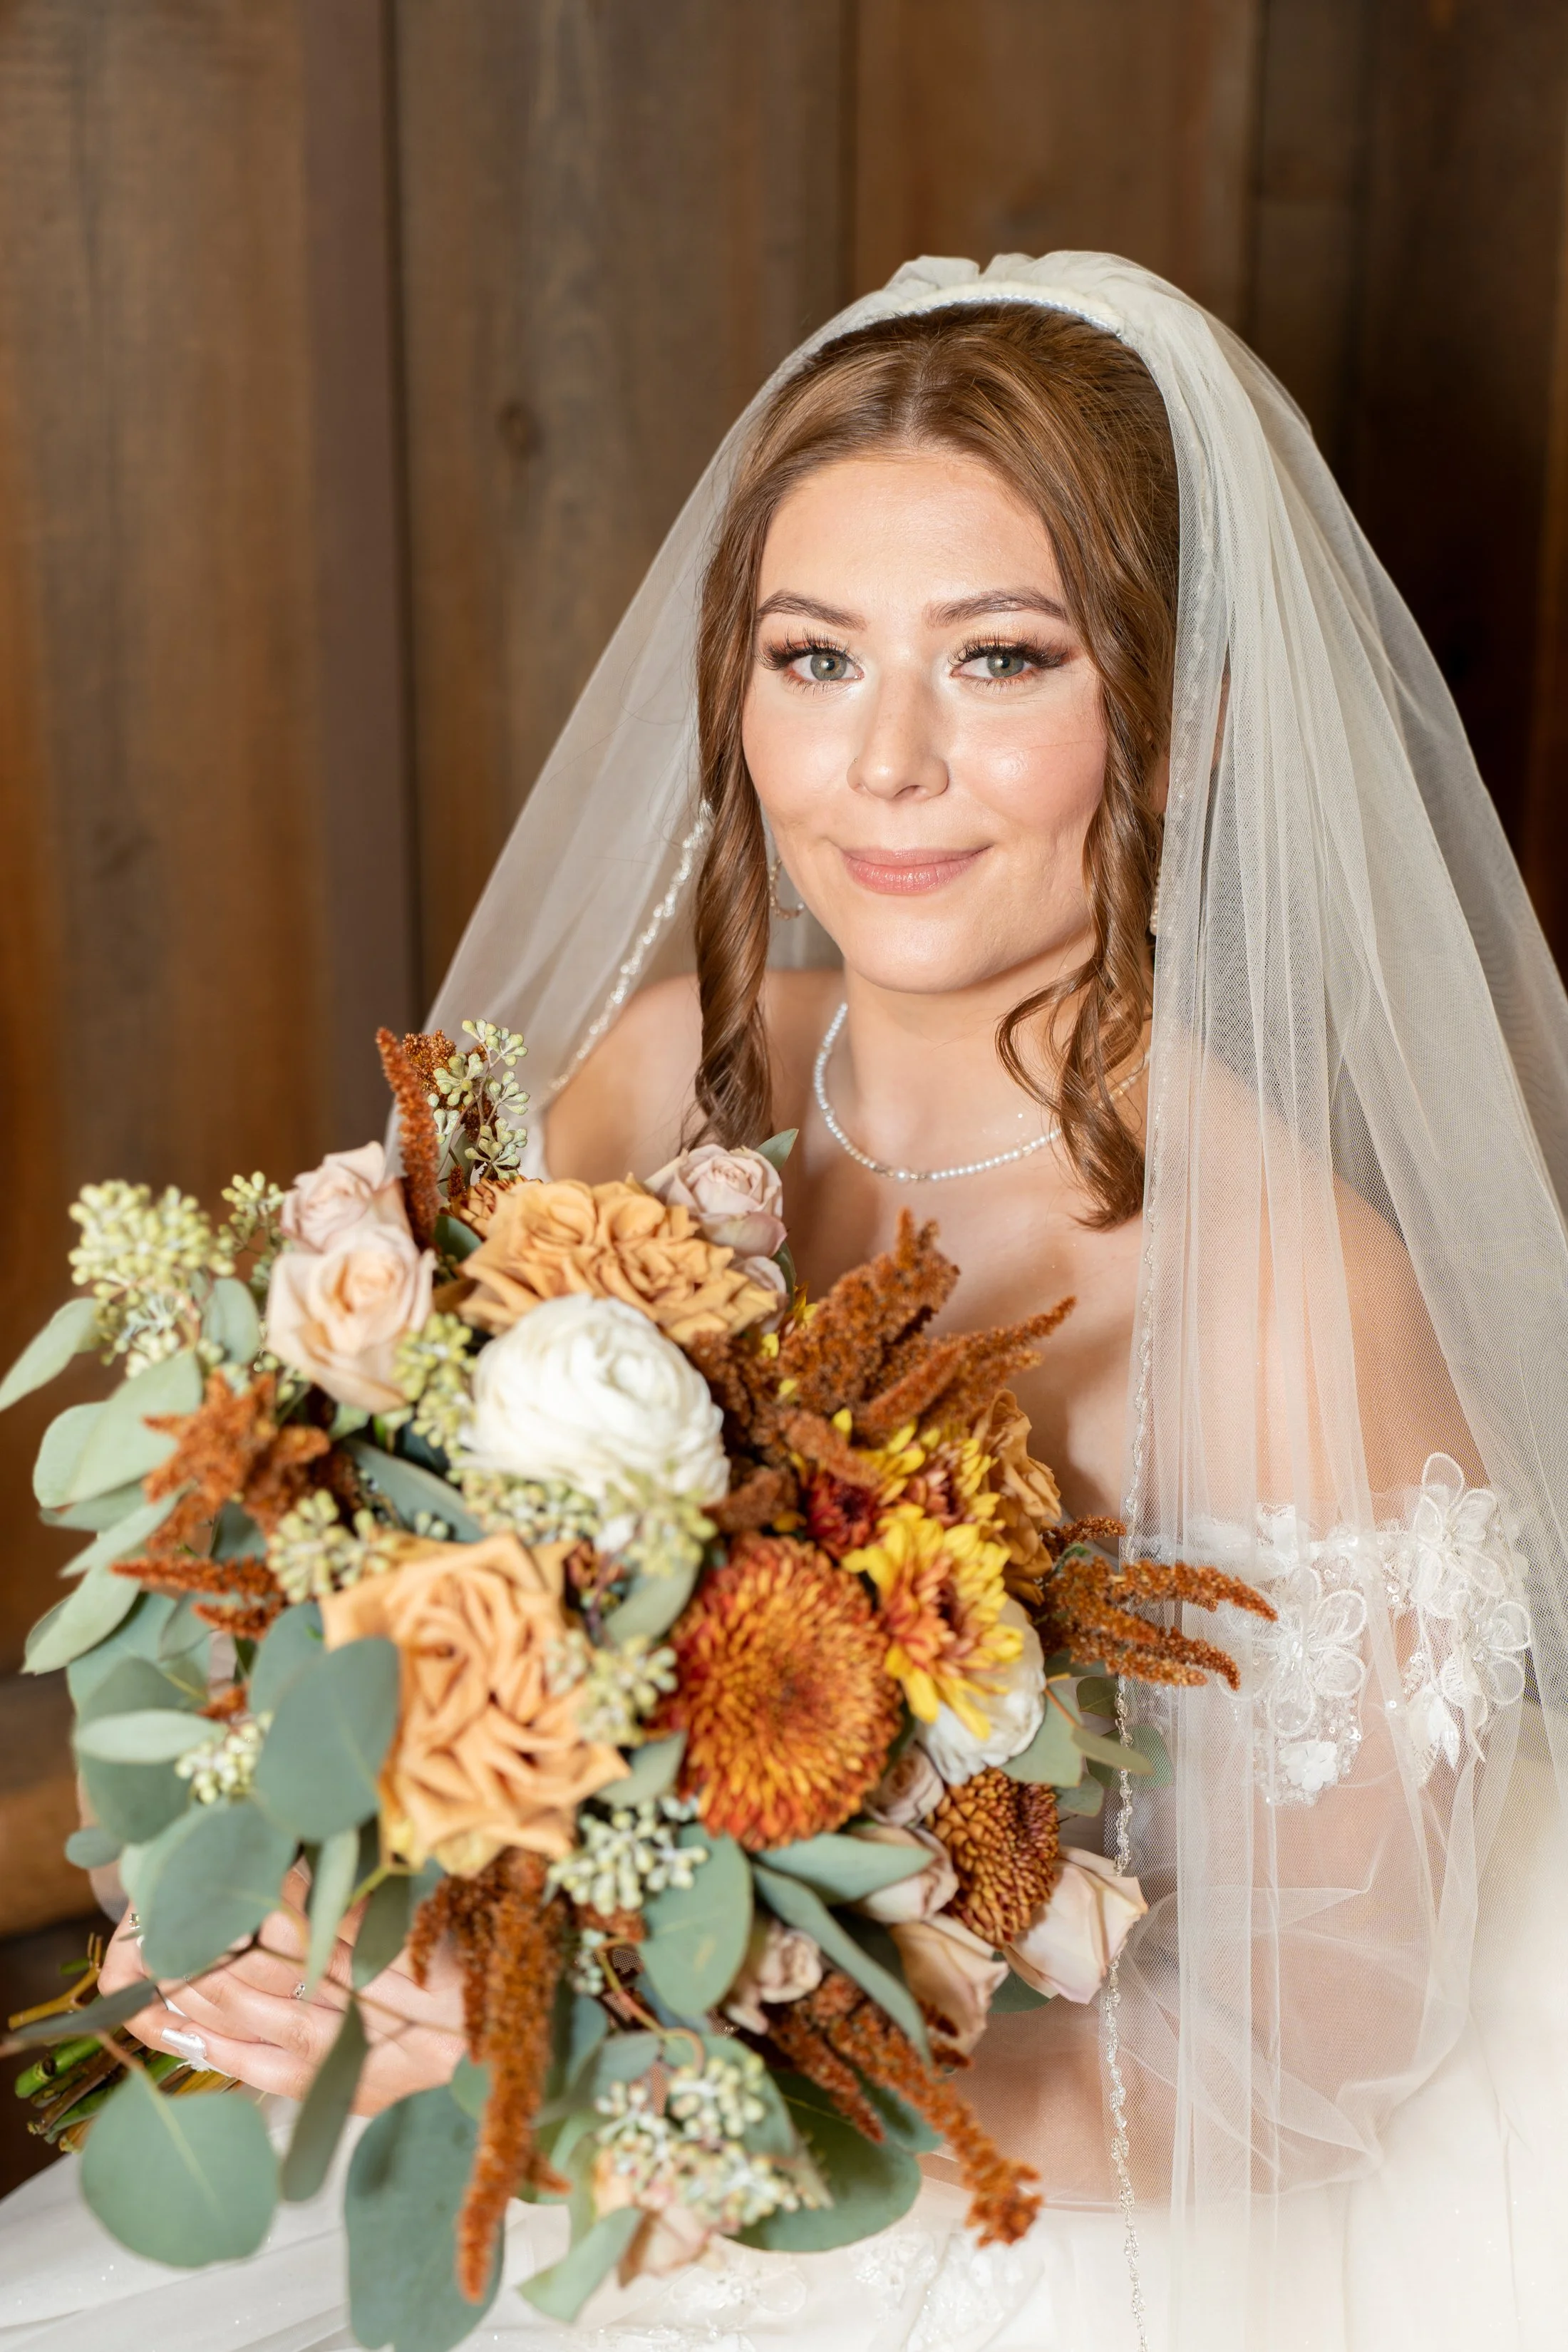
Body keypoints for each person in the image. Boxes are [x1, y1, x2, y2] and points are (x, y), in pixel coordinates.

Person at [3, 250, 1567, 2351]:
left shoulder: (1303, 1298)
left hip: (1050, 2204)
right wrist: (255, 1888)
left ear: (1179, 730)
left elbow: (1316, 2049)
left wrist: (648, 2097)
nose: (885, 764)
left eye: (1003, 659)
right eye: (815, 657)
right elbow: (354, 1591)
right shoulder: (657, 1078)